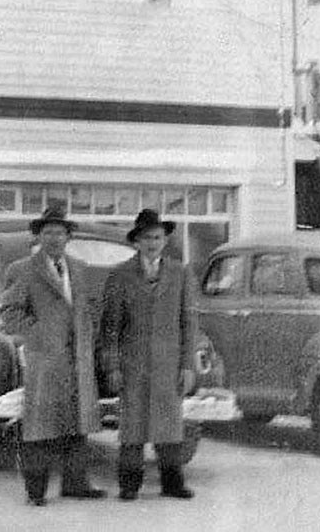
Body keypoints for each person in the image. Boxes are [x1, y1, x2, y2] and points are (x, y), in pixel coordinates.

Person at [0, 205, 108, 507]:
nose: (54, 238)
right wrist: (38, 336)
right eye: (48, 232)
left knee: (78, 423)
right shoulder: (22, 269)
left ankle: (76, 484)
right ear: (39, 235)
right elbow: (10, 313)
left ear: (68, 236)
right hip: (45, 360)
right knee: (40, 427)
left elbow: (89, 307)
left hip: (78, 360)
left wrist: (88, 335)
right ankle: (36, 491)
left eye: (60, 232)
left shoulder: (79, 267)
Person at [101, 209, 197, 502]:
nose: (152, 243)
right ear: (137, 242)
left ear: (165, 239)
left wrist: (188, 364)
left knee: (169, 425)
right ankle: (129, 484)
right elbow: (110, 328)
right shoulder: (120, 275)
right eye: (146, 238)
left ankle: (172, 482)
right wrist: (113, 366)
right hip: (134, 364)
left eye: (157, 237)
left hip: (168, 364)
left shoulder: (180, 273)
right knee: (133, 427)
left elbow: (188, 322)